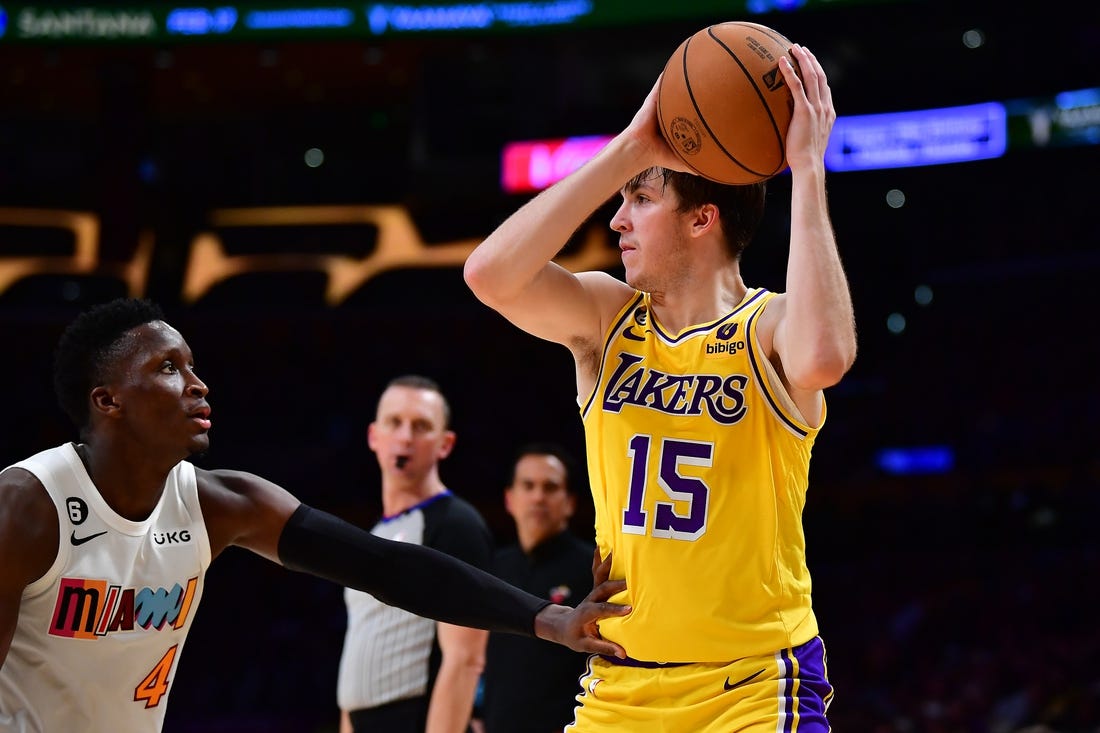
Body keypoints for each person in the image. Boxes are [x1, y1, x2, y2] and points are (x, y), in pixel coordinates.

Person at [0, 298, 630, 733]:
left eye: (193, 366)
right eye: (168, 369)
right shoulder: (29, 506)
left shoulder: (219, 505)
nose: (198, 385)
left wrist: (549, 618)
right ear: (107, 401)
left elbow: (381, 564)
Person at [464, 42, 856, 732]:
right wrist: (628, 151)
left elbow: (825, 357)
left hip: (754, 685)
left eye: (640, 199)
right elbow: (489, 276)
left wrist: (807, 168)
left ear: (702, 218)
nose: (616, 220)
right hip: (623, 686)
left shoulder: (771, 326)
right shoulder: (606, 319)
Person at [336, 375, 492, 733]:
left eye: (421, 426)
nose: (405, 437)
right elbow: (359, 651)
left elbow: (465, 659)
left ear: (445, 444)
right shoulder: (377, 531)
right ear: (374, 436)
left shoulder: (457, 525)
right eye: (395, 423)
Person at [479, 442, 595, 733]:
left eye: (550, 487)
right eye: (528, 486)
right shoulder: (494, 567)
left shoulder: (592, 568)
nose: (538, 497)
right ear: (509, 499)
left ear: (570, 502)